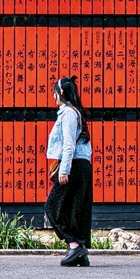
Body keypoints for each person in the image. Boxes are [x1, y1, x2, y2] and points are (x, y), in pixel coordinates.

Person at [44, 75, 94, 267]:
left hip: (73, 164)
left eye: (54, 92)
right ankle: (79, 252)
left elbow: (68, 144)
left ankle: (75, 246)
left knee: (52, 206)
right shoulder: (73, 112)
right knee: (73, 209)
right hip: (79, 165)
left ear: (61, 92)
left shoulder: (69, 113)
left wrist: (64, 170)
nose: (53, 96)